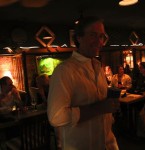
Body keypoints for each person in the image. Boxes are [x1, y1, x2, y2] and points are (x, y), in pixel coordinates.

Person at [47, 16, 120, 150]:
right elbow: (56, 117)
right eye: (93, 35)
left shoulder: (98, 67)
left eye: (102, 36)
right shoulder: (64, 70)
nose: (100, 42)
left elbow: (104, 113)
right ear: (79, 38)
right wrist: (99, 108)